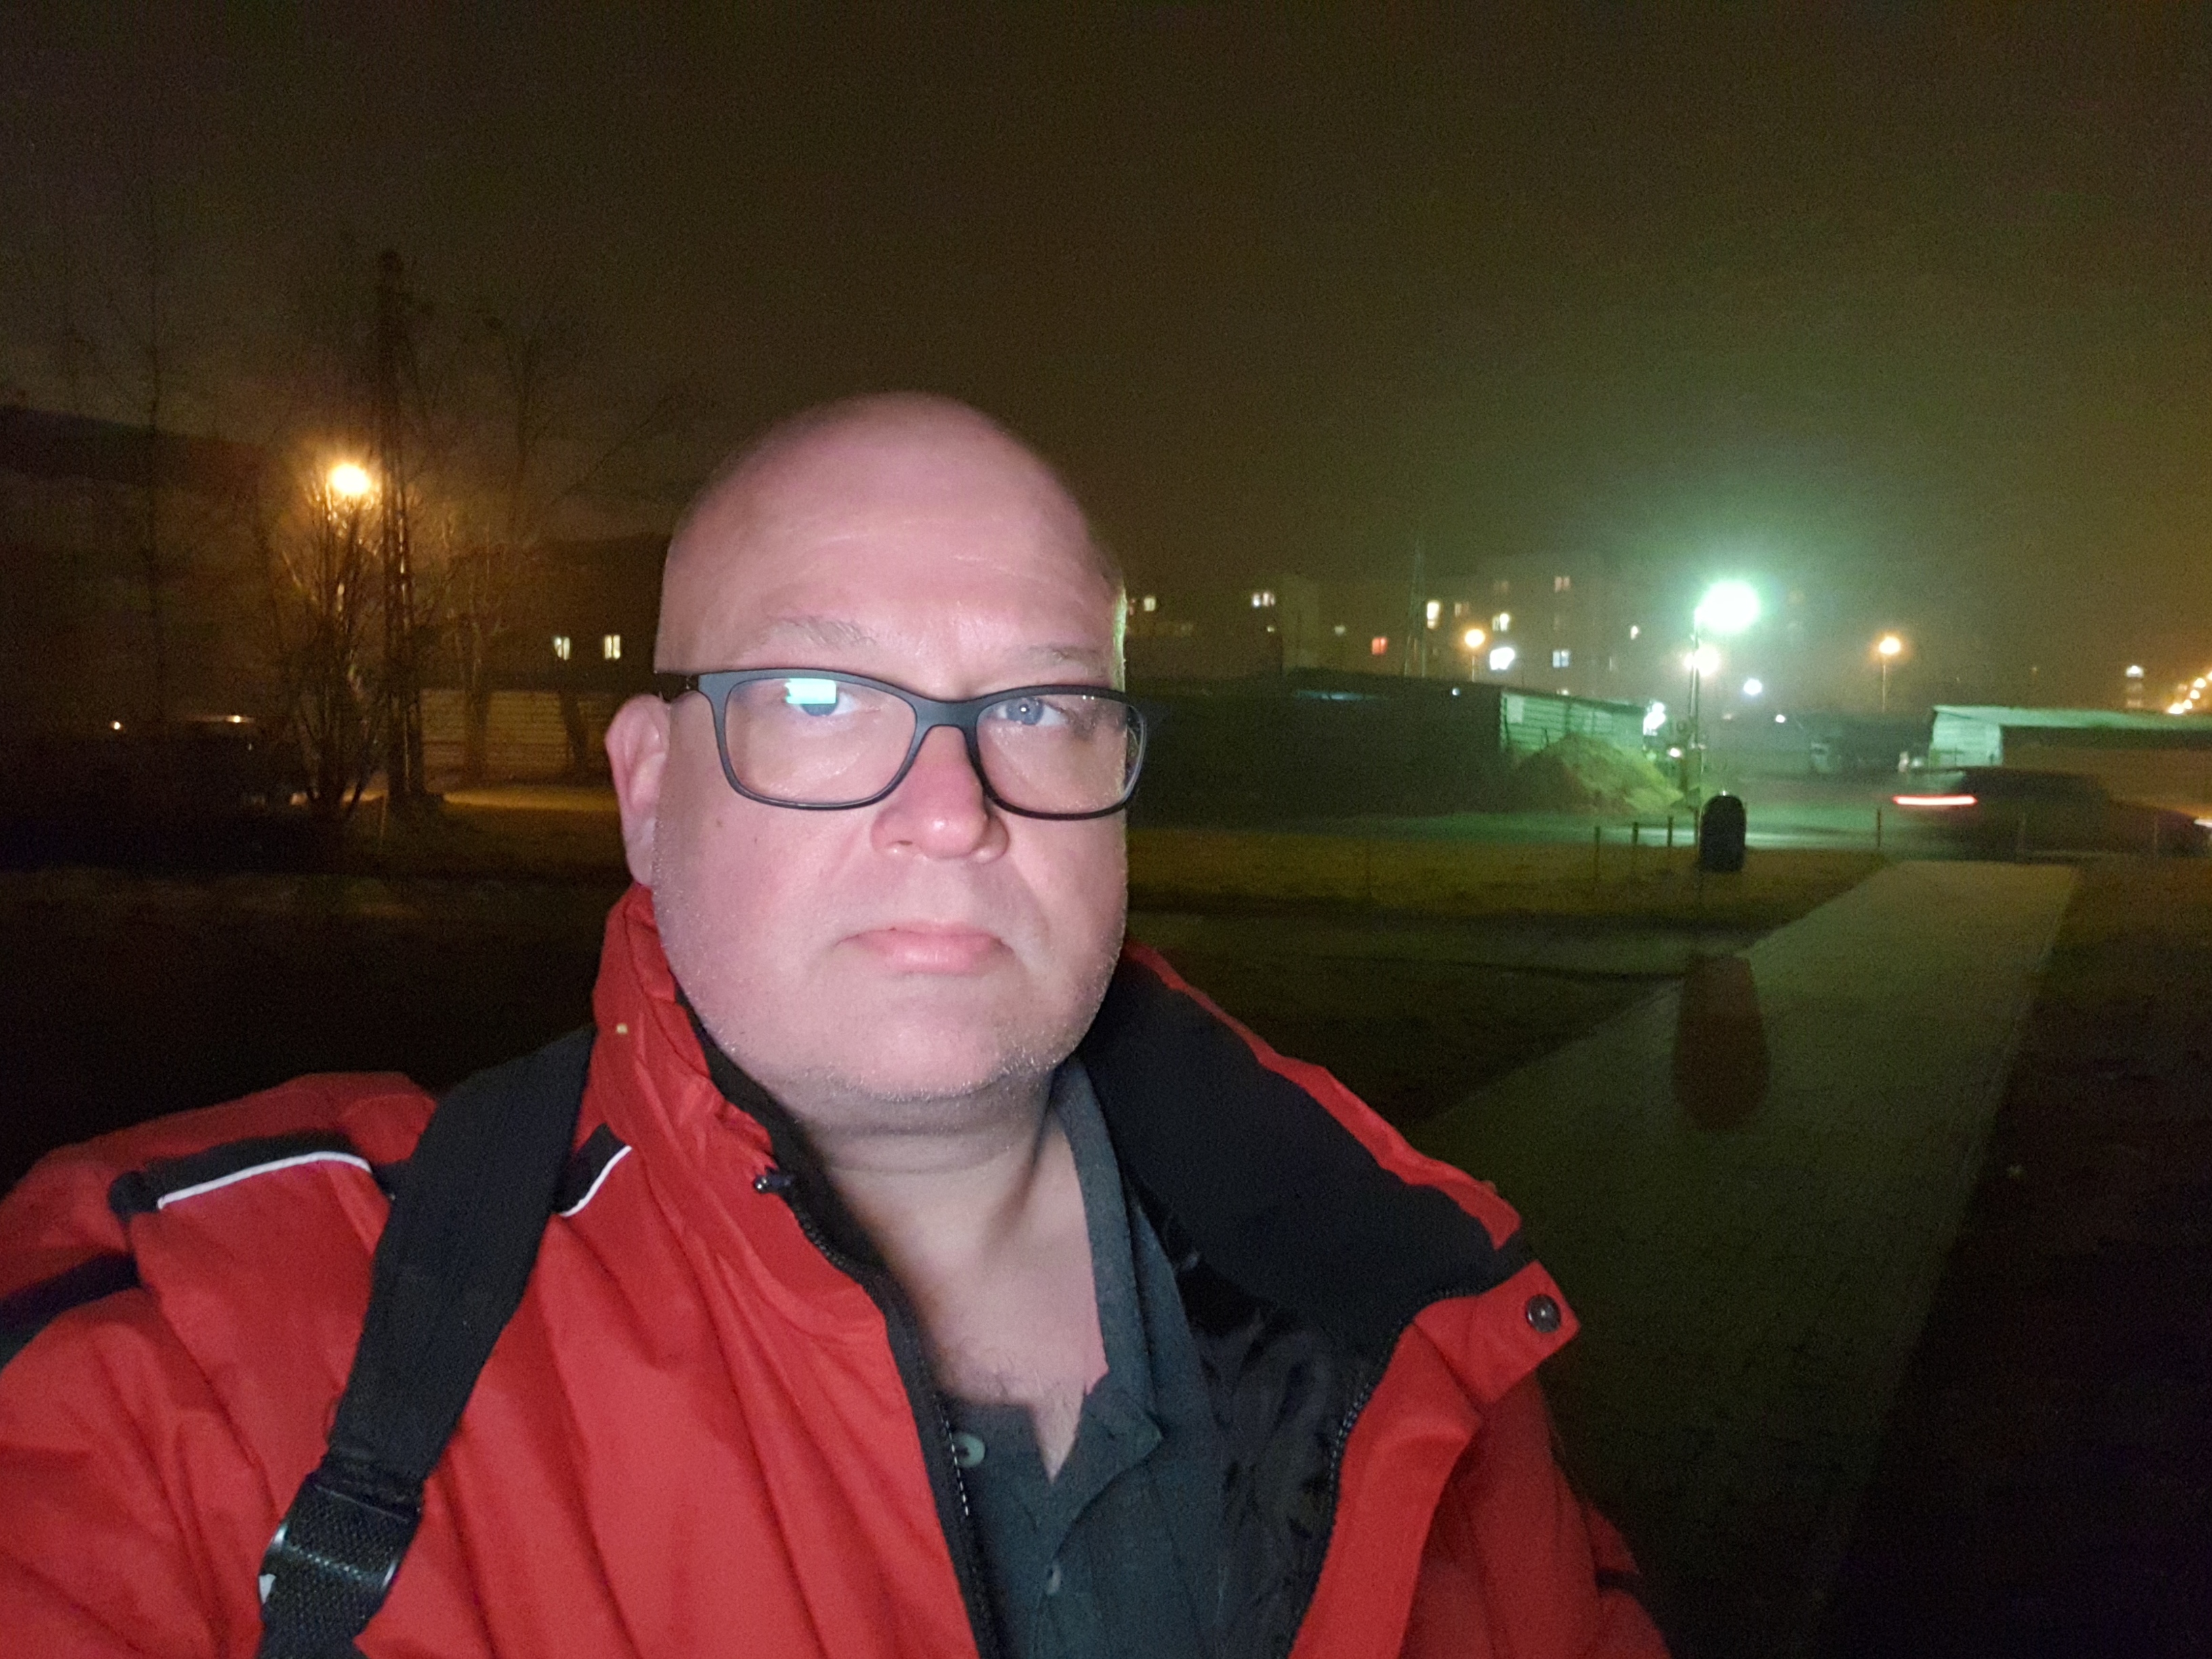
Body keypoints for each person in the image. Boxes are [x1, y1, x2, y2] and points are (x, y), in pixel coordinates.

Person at [0, 394, 1666, 1657]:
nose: (953, 810)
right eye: (817, 698)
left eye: (1040, 706)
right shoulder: (212, 1358)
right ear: (646, 791)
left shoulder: (1424, 1329)